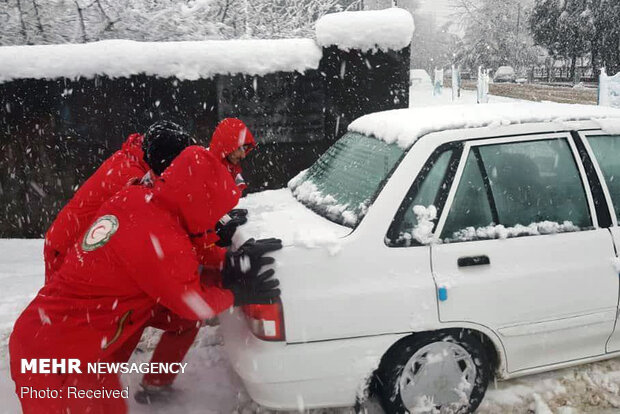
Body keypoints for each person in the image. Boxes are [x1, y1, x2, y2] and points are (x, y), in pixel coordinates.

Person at [10, 146, 282, 414]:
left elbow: (181, 249)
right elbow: (191, 303)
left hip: (69, 343)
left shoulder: (139, 198)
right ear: (198, 201)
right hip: (53, 358)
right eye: (214, 210)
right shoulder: (161, 238)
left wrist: (227, 260)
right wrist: (236, 292)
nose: (213, 219)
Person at [43, 120, 191, 282]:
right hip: (67, 250)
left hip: (76, 245)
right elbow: (160, 217)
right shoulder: (131, 177)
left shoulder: (137, 158)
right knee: (71, 303)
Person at [209, 117, 257, 193]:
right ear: (226, 147)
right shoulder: (206, 174)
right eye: (239, 149)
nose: (243, 155)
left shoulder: (233, 172)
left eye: (245, 149)